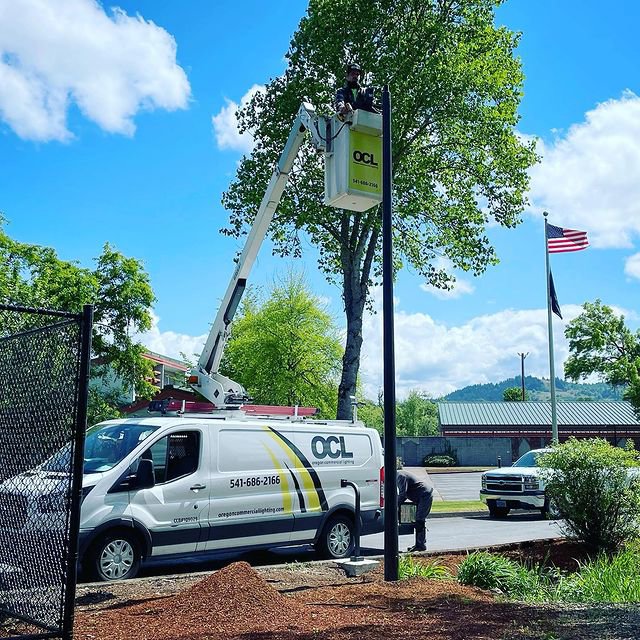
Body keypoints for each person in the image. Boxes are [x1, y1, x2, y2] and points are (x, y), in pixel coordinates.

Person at [397, 468, 434, 552]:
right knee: (417, 520)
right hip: (420, 496)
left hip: (425, 495)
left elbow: (402, 494)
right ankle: (419, 544)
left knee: (419, 520)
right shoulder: (398, 476)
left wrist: (394, 505)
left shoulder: (400, 476)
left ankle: (420, 545)